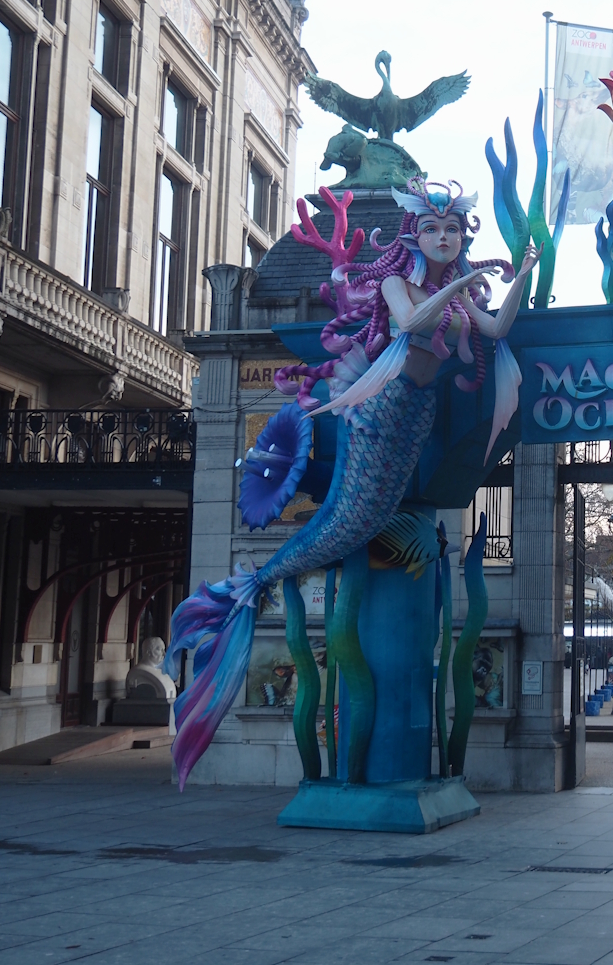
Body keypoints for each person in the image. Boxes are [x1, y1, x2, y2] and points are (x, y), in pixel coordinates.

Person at [164, 176, 536, 788]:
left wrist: (517, 273)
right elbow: (411, 318)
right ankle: (241, 592)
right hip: (380, 409)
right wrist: (467, 281)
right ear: (415, 236)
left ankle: (247, 588)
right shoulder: (403, 283)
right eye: (434, 229)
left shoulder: (454, 290)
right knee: (351, 519)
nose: (444, 238)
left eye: (454, 230)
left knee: (372, 514)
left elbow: (495, 333)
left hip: (412, 419)